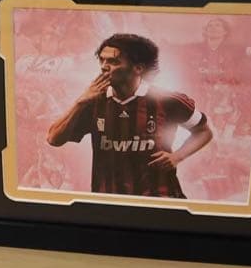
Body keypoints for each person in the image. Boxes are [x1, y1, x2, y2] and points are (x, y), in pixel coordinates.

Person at [45, 33, 213, 198]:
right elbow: (54, 139)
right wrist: (80, 102)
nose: (104, 66)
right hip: (109, 200)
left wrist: (177, 156)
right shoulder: (92, 102)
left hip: (159, 198)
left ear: (138, 68)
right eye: (102, 60)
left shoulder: (167, 100)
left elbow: (203, 131)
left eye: (113, 61)